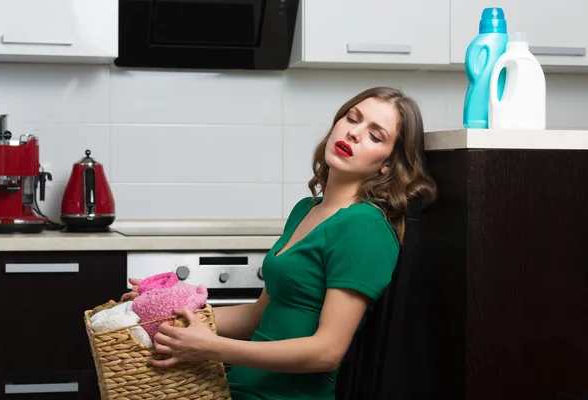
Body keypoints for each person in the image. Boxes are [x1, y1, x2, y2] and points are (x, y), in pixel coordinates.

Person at [120, 86, 437, 400]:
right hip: (240, 388)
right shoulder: (306, 210)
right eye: (353, 119)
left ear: (387, 164)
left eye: (375, 135)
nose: (354, 133)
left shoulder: (365, 226)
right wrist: (166, 313)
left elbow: (327, 352)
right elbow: (257, 316)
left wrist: (211, 347)